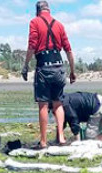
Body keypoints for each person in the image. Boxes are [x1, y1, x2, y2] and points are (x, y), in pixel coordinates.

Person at [21, 0, 75, 148]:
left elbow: (32, 45)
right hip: (59, 67)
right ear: (49, 10)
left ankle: (44, 142)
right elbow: (68, 50)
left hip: (44, 67)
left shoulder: (35, 22)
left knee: (43, 105)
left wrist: (25, 66)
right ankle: (62, 139)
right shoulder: (59, 25)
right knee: (58, 104)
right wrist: (73, 71)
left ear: (38, 10)